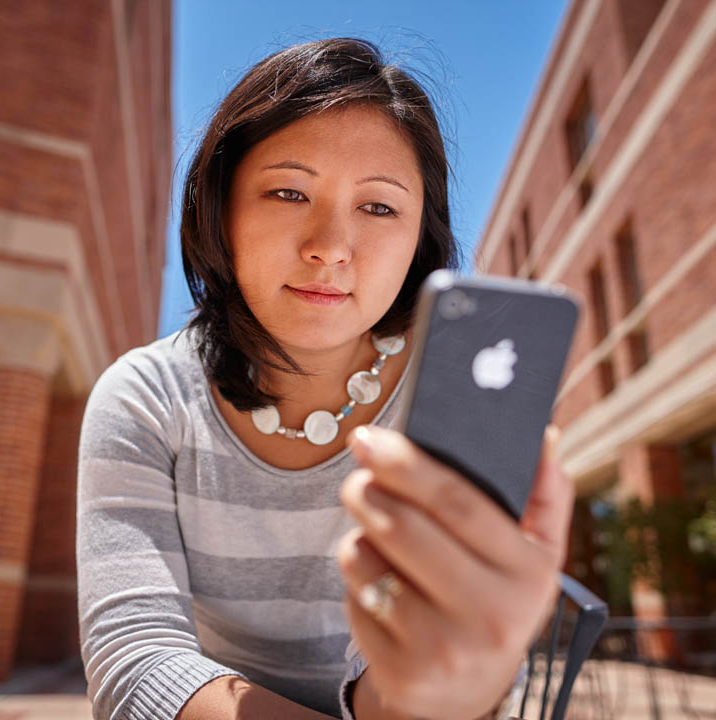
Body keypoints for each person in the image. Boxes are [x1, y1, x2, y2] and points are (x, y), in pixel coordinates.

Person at [76, 37, 574, 720]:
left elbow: (414, 669)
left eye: (379, 207)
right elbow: (136, 666)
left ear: (419, 242)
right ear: (219, 210)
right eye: (287, 191)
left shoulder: (448, 400)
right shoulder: (144, 397)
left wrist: (442, 688)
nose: (330, 247)